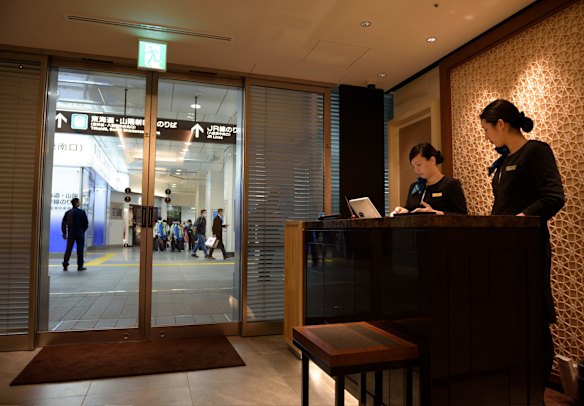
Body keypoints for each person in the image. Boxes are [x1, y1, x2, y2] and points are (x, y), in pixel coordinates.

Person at [480, 99, 564, 386]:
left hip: (528, 249)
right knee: (508, 319)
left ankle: (535, 389)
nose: (487, 136)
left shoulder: (536, 152)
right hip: (503, 251)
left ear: (501, 124)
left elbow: (554, 196)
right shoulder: (503, 162)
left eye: (487, 130)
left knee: (533, 318)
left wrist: (521, 217)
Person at [391, 143, 468, 215]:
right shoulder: (415, 186)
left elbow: (462, 215)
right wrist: (404, 210)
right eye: (413, 166)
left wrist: (435, 213)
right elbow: (411, 208)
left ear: (432, 160)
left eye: (418, 165)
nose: (416, 170)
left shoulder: (450, 184)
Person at [61, 197, 89, 271]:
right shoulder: (82, 212)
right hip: (80, 233)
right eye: (79, 202)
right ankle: (80, 266)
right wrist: (82, 230)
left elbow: (63, 223)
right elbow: (86, 223)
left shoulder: (68, 212)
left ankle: (65, 265)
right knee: (80, 250)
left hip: (71, 233)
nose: (79, 203)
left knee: (68, 249)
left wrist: (64, 233)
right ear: (76, 203)